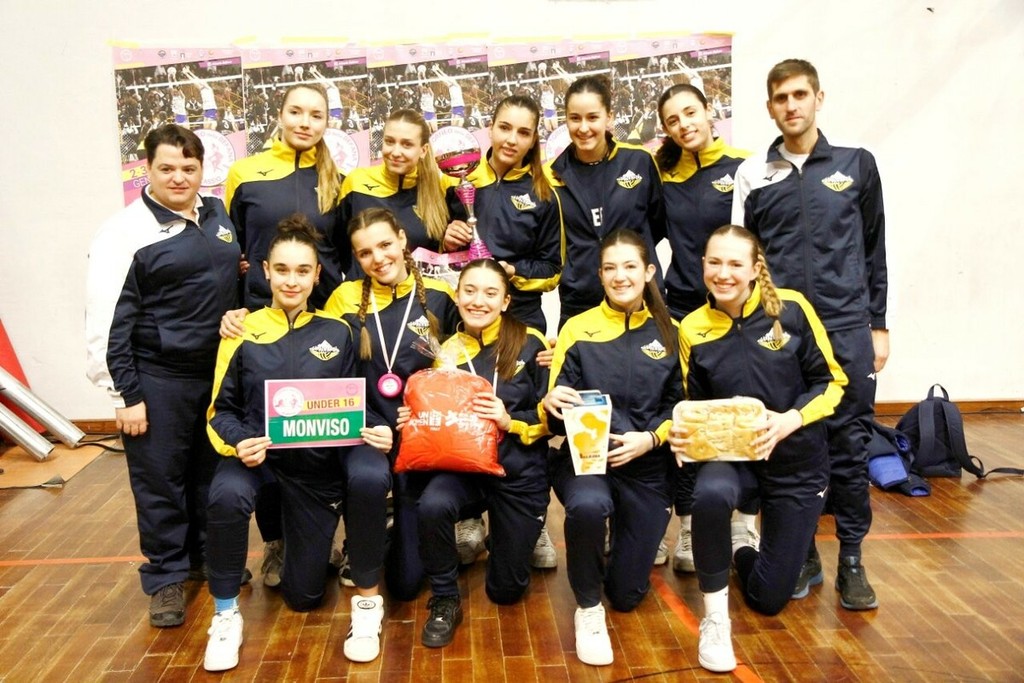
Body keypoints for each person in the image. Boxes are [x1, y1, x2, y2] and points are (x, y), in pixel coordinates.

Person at [732, 59, 889, 611]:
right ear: (769, 107)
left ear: (819, 97)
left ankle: (852, 559)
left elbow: (875, 250)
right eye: (781, 98)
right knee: (788, 446)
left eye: (800, 94)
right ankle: (801, 553)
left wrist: (878, 325)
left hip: (847, 329)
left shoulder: (856, 164)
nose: (791, 105)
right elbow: (742, 258)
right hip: (783, 333)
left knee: (850, 445)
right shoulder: (754, 175)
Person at [669, 224, 847, 673]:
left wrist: (790, 420)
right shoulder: (692, 327)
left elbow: (832, 383)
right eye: (714, 262)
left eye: (735, 263)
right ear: (702, 265)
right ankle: (715, 620)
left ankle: (740, 550)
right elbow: (692, 402)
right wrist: (682, 433)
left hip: (795, 462)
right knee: (709, 494)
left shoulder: (792, 309)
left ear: (754, 269)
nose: (723, 273)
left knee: (769, 599)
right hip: (735, 460)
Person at [85, 124, 240, 628]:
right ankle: (166, 576)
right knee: (160, 483)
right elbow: (106, 322)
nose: (179, 178)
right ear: (147, 169)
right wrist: (124, 395)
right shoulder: (123, 234)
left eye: (188, 168)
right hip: (157, 379)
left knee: (208, 475)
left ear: (202, 170)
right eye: (167, 168)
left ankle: (204, 559)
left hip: (214, 375)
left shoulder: (216, 214)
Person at [203, 216, 359, 671]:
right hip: (258, 461)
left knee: (304, 598)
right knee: (226, 494)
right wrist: (241, 443)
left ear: (317, 275)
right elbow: (219, 411)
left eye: (303, 271)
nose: (292, 280)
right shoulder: (241, 331)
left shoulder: (338, 332)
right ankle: (225, 614)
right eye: (283, 270)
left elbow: (352, 403)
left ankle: (303, 546)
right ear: (266, 271)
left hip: (313, 470)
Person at [542, 229, 680, 666]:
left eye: (630, 266)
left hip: (647, 464)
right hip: (588, 462)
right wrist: (551, 403)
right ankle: (587, 608)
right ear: (600, 275)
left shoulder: (671, 332)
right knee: (587, 506)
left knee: (626, 595)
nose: (621, 276)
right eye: (610, 268)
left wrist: (651, 438)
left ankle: (624, 539)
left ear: (649, 272)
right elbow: (555, 410)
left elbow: (681, 406)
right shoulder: (577, 329)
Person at [396, 259, 551, 648]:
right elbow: (438, 417)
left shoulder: (532, 343)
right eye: (469, 291)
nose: (478, 301)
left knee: (506, 591)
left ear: (505, 301)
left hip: (517, 470)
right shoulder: (444, 352)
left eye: (490, 293)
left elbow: (552, 418)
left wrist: (509, 420)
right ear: (457, 295)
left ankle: (512, 535)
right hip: (465, 470)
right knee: (433, 503)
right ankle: (445, 598)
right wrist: (415, 418)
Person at [656, 83, 754, 574]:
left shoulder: (745, 167)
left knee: (742, 407)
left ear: (709, 110)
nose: (684, 125)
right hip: (682, 309)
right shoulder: (663, 175)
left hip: (737, 312)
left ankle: (744, 521)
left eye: (690, 112)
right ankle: (690, 525)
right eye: (672, 120)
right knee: (686, 414)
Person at [545, 75, 665, 328]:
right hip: (580, 303)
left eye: (592, 117)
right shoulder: (551, 174)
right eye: (575, 118)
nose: (583, 128)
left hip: (641, 298)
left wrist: (627, 256)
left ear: (609, 117)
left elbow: (657, 224)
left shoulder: (639, 161)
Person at [442, 95, 563, 333]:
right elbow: (430, 253)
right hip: (465, 314)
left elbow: (552, 271)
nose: (511, 140)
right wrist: (445, 242)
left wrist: (513, 272)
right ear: (490, 128)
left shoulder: (544, 195)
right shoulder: (455, 181)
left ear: (533, 140)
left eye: (523, 133)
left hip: (520, 318)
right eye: (505, 128)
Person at [226, 83, 347, 312]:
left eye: (316, 116)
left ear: (326, 123)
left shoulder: (340, 182)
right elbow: (232, 249)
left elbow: (349, 257)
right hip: (260, 312)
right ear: (280, 116)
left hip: (326, 315)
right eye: (295, 112)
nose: (305, 123)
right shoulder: (243, 174)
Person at [339, 109, 457, 269]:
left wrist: (449, 244)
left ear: (423, 150)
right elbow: (340, 246)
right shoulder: (356, 182)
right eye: (389, 141)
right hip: (364, 285)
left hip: (419, 285)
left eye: (407, 144)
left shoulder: (441, 188)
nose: (395, 152)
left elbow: (443, 251)